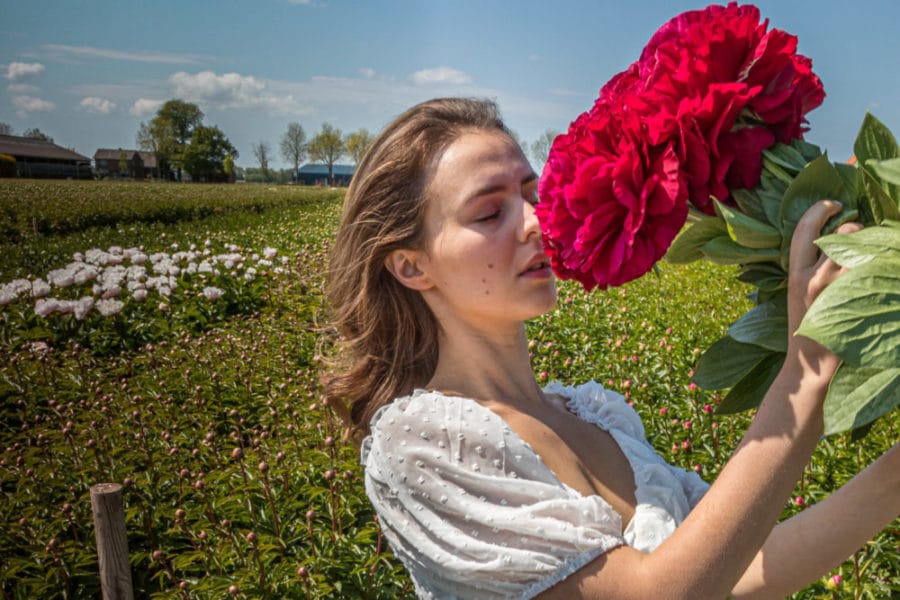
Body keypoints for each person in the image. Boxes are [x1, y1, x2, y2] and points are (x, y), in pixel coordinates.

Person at [325, 97, 899, 599]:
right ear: (410, 264)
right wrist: (804, 372)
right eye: (489, 211)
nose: (534, 221)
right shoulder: (421, 444)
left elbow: (743, 567)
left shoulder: (595, 414)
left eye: (533, 192)